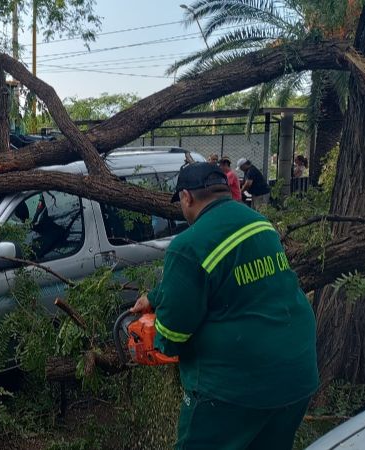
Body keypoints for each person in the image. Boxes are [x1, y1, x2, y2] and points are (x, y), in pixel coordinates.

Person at [130, 162, 318, 450]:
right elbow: (226, 276)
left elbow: (173, 336)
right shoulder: (259, 224)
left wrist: (159, 341)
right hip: (296, 373)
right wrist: (156, 297)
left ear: (186, 197)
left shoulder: (188, 244)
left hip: (237, 388)